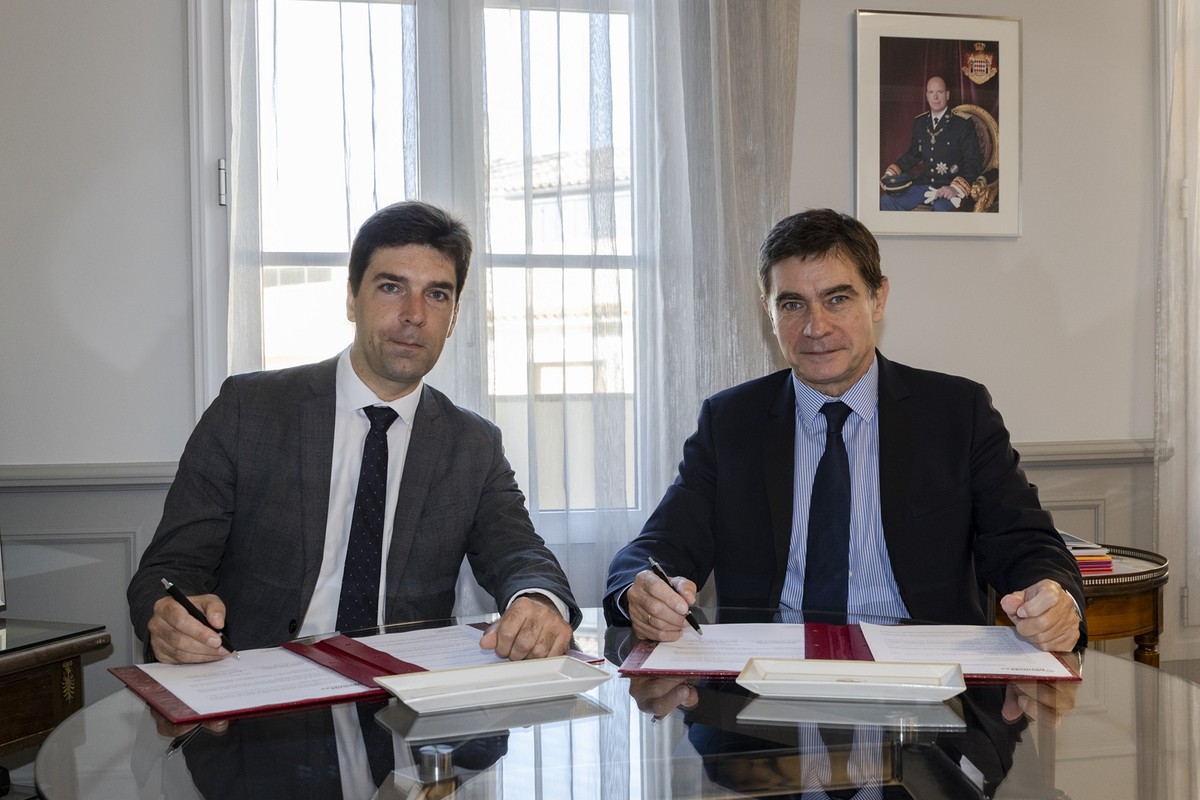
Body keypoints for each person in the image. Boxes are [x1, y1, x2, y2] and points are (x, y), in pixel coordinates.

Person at [604, 208, 1085, 653]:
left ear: (878, 298)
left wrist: (1054, 597)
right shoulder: (730, 422)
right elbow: (657, 548)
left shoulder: (957, 413)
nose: (815, 327)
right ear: (769, 311)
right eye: (792, 304)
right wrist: (639, 592)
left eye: (837, 299)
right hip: (765, 680)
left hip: (924, 677)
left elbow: (1026, 543)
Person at [129, 200, 579, 665]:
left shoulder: (473, 444)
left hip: (400, 691)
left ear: (454, 317)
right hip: (257, 682)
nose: (414, 314)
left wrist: (538, 601)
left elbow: (520, 553)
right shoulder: (250, 409)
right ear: (351, 298)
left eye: (436, 295)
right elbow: (169, 569)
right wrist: (168, 617)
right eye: (391, 287)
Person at [879, 76, 983, 212]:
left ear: (947, 95)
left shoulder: (962, 124)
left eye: (940, 92)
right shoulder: (921, 122)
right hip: (925, 184)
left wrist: (955, 188)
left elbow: (973, 161)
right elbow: (913, 154)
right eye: (931, 92)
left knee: (940, 209)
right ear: (927, 96)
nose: (935, 97)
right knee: (887, 200)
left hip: (949, 186)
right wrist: (890, 173)